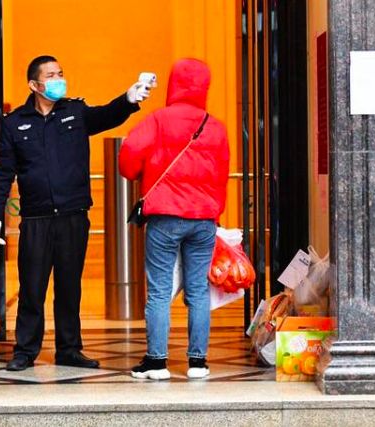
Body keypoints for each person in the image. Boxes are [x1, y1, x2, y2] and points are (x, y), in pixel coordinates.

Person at [0, 55, 152, 371]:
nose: (58, 79)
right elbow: (3, 172)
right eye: (51, 75)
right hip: (35, 218)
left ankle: (69, 349)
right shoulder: (14, 123)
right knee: (32, 287)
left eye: (60, 73)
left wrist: (129, 99)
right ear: (34, 85)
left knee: (69, 287)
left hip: (73, 215)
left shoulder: (75, 112)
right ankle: (25, 350)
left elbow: (106, 115)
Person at [119, 58, 230, 380]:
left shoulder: (158, 120)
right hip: (204, 218)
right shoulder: (215, 126)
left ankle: (157, 363)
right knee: (198, 291)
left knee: (159, 291)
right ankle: (198, 362)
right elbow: (221, 174)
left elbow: (128, 161)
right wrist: (214, 212)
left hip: (165, 216)